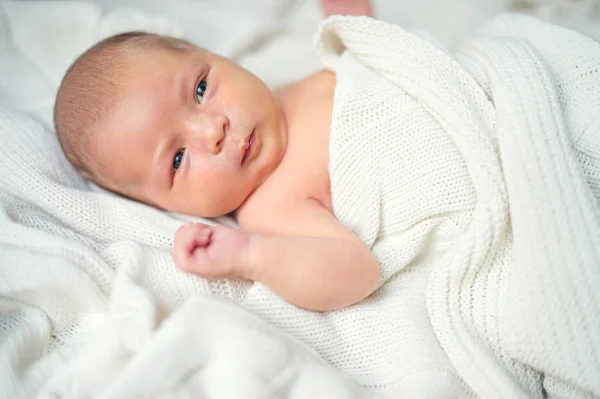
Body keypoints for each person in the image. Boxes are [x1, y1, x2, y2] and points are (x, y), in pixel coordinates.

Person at [53, 0, 380, 312]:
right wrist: (250, 257)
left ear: (217, 57)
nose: (213, 131)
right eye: (178, 159)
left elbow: (376, 66)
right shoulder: (272, 207)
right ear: (166, 207)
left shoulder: (288, 90)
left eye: (200, 90)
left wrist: (357, 27)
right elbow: (358, 272)